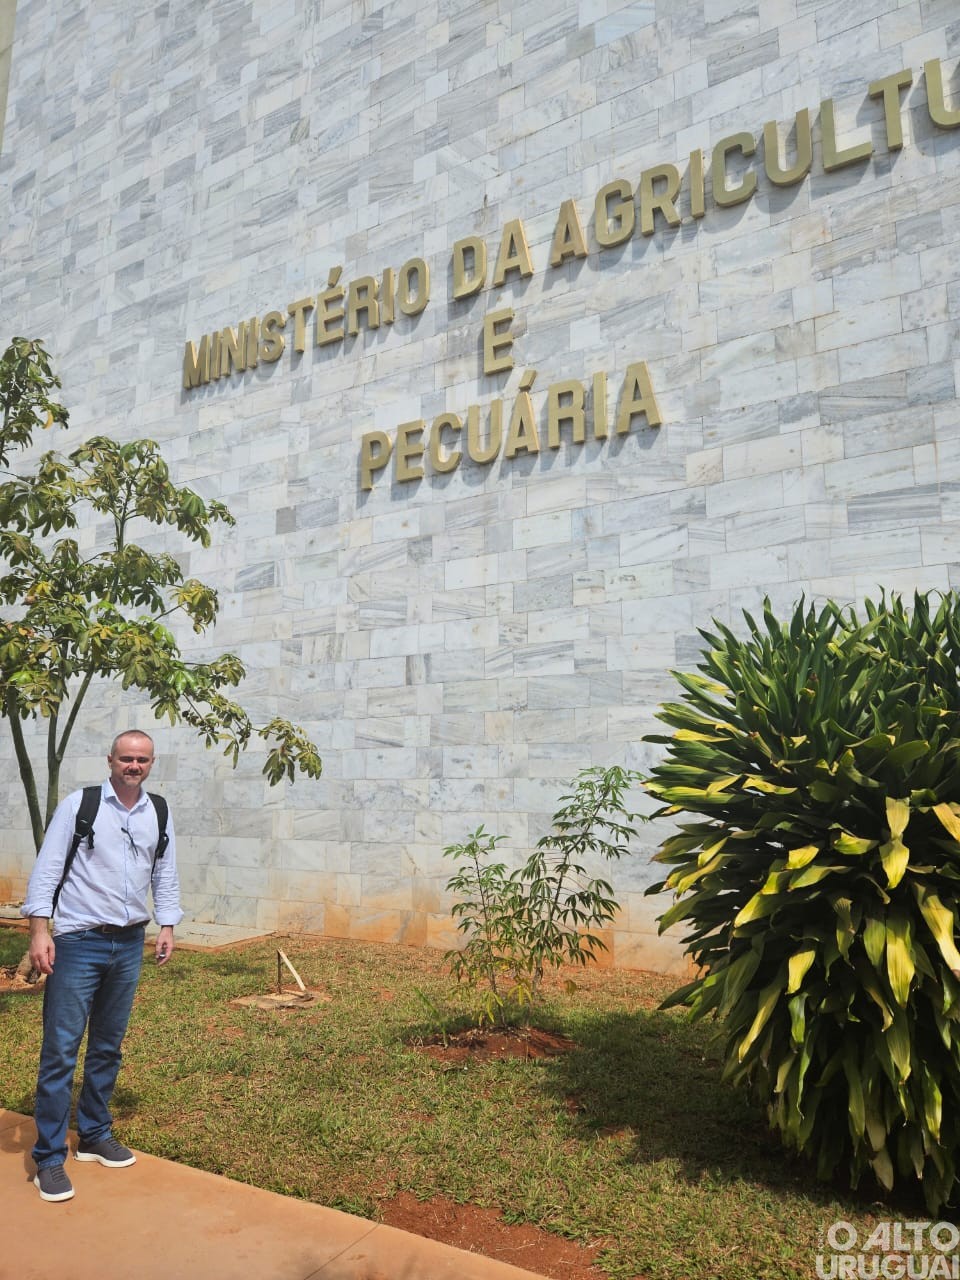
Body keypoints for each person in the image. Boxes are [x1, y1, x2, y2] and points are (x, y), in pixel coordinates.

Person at [21, 729, 183, 1203]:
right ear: (110, 759)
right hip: (79, 942)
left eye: (142, 760)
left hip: (130, 943)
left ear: (151, 764)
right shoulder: (81, 804)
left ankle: (93, 1134)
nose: (134, 766)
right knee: (60, 1053)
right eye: (126, 758)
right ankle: (49, 1157)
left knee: (108, 1047)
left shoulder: (158, 810)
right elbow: (48, 868)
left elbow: (164, 871)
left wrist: (167, 925)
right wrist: (39, 930)